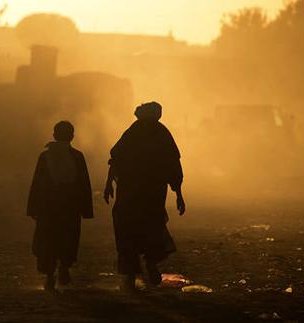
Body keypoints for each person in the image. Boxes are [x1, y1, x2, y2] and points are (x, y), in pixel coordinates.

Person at [104, 102, 185, 291]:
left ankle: (130, 278)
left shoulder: (133, 132)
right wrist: (179, 194)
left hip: (130, 192)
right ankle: (150, 263)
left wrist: (109, 184)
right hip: (152, 193)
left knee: (128, 230)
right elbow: (174, 166)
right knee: (152, 226)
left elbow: (116, 159)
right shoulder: (162, 133)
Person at [27, 121, 93, 291]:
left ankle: (50, 276)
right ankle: (64, 268)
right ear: (71, 136)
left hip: (49, 207)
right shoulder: (77, 156)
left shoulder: (45, 156)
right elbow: (84, 184)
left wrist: (34, 207)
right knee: (68, 238)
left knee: (48, 239)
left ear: (54, 135)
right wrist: (86, 208)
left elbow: (37, 184)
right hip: (69, 207)